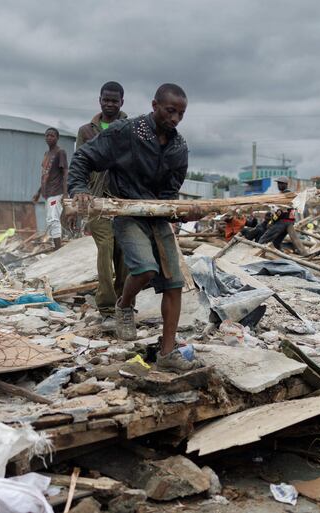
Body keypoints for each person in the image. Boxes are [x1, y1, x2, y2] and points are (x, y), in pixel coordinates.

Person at [69, 83, 204, 372]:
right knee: (145, 269)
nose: (176, 119)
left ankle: (167, 354)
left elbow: (170, 195)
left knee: (174, 283)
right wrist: (80, 189)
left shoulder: (178, 147)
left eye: (181, 114)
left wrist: (183, 214)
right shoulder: (126, 132)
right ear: (154, 105)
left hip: (156, 217)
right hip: (126, 211)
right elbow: (83, 158)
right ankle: (124, 303)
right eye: (170, 111)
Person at [76, 81, 129, 323]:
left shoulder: (130, 128)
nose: (109, 104)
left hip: (124, 200)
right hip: (97, 200)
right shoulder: (86, 131)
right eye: (105, 99)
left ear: (121, 102)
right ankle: (107, 309)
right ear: (99, 100)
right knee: (105, 248)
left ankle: (125, 304)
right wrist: (81, 193)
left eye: (114, 100)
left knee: (124, 255)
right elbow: (80, 164)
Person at [32, 128, 68, 249]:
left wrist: (65, 193)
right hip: (48, 193)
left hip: (56, 192)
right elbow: (45, 176)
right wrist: (38, 192)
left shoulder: (60, 152)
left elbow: (65, 173)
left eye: (52, 136)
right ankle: (56, 245)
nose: (49, 138)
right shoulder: (46, 154)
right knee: (49, 219)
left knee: (53, 218)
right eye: (47, 135)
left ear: (57, 138)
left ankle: (58, 248)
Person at [258, 177, 295, 249]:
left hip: (282, 221)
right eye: (278, 184)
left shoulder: (284, 195)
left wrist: (272, 221)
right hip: (290, 221)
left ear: (285, 184)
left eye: (280, 184)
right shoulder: (290, 194)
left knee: (262, 240)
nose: (279, 185)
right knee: (276, 243)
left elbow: (279, 211)